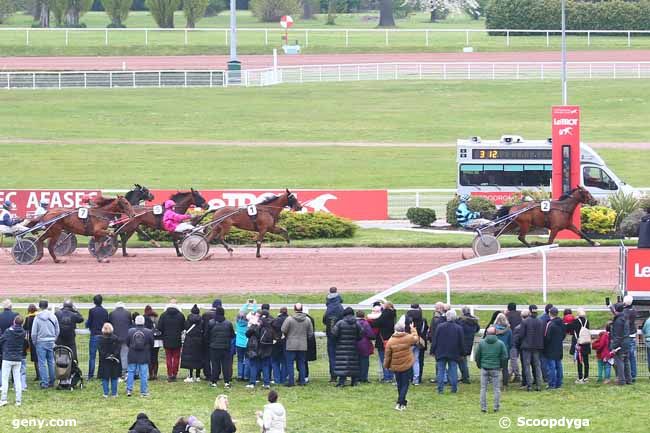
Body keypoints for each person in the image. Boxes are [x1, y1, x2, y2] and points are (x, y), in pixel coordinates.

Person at [384, 320, 419, 411]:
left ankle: (402, 402)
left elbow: (387, 356)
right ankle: (400, 402)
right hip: (406, 364)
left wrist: (386, 366)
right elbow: (416, 338)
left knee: (399, 384)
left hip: (395, 366)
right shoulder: (407, 338)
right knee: (405, 384)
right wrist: (413, 329)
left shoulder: (391, 341)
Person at [475, 326, 508, 413]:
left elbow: (477, 356)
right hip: (495, 368)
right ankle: (496, 407)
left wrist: (479, 365)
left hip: (484, 368)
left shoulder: (481, 343)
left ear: (486, 333)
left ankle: (483, 407)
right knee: (496, 389)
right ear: (496, 333)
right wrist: (501, 366)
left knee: (483, 389)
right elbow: (505, 357)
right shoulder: (500, 343)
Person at [281, 303, 313, 387]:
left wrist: (288, 335)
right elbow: (310, 333)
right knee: (301, 363)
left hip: (291, 344)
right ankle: (302, 381)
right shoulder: (307, 320)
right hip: (302, 344)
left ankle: (291, 381)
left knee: (290, 363)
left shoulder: (289, 319)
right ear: (302, 309)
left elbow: (283, 329)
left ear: (294, 309)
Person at [432, 309, 464, 394]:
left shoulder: (440, 326)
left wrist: (433, 350)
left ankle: (440, 389)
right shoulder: (459, 328)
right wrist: (462, 353)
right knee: (453, 370)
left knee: (440, 371)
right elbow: (461, 342)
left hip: (441, 351)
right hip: (453, 352)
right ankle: (454, 388)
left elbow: (435, 339)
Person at [31, 300, 59, 389]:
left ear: (39, 307)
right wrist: (54, 339)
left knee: (42, 363)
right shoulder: (53, 316)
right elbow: (57, 329)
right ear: (47, 306)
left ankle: (44, 382)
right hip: (51, 341)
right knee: (51, 362)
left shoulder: (37, 317)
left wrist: (35, 342)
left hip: (40, 342)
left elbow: (34, 333)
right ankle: (52, 381)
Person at [331, 307, 362, 387]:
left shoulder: (340, 323)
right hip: (353, 346)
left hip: (341, 347)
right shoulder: (356, 323)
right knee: (353, 364)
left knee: (342, 364)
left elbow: (334, 334)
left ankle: (341, 382)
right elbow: (361, 334)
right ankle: (354, 382)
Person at [206, 306, 235, 389]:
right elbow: (232, 335)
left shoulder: (211, 323)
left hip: (214, 347)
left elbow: (207, 335)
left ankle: (214, 381)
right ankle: (227, 382)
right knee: (226, 365)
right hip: (225, 348)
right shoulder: (228, 323)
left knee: (215, 365)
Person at [126, 315, 154, 397]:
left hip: (132, 354)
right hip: (144, 355)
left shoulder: (130, 331)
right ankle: (144, 391)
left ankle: (129, 390)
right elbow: (152, 343)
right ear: (143, 322)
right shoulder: (148, 331)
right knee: (144, 374)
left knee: (131, 372)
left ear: (135, 322)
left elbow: (127, 342)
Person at [0, 316, 25, 407]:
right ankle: (18, 400)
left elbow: (1, 340)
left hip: (7, 357)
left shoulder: (8, 331)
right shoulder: (23, 332)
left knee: (5, 379)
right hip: (18, 358)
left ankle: (3, 399)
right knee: (17, 380)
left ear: (14, 322)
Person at [158, 300, 185, 382]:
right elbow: (184, 327)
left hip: (166, 339)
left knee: (168, 357)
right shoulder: (180, 315)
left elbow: (159, 327)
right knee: (176, 357)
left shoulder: (163, 315)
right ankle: (174, 373)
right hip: (177, 339)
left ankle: (169, 374)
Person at [520, 305, 545, 391]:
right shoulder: (540, 321)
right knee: (537, 366)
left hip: (526, 347)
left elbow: (521, 335)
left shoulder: (525, 322)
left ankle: (529, 385)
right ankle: (538, 384)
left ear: (530, 311)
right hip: (537, 347)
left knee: (527, 366)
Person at [323, 286, 344, 383]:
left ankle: (333, 376)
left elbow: (324, 320)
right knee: (341, 355)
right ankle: (342, 375)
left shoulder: (328, 308)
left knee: (332, 356)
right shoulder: (340, 307)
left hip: (330, 335)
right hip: (340, 335)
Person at [372, 301, 396, 383]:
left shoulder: (385, 314)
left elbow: (376, 323)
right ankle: (391, 376)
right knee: (391, 359)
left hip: (382, 340)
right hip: (391, 339)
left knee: (384, 359)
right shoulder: (393, 314)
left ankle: (387, 377)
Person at [86, 294, 108, 380]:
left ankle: (90, 376)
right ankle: (102, 375)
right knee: (103, 357)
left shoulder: (92, 311)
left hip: (94, 335)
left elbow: (89, 323)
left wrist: (87, 325)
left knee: (92, 357)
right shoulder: (105, 311)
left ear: (94, 302)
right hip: (103, 336)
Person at [543, 307, 566, 389]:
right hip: (559, 346)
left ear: (550, 313)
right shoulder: (562, 323)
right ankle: (559, 383)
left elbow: (546, 337)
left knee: (551, 367)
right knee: (559, 365)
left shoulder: (550, 324)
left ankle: (551, 384)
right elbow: (564, 334)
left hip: (550, 348)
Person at [405, 304, 427, 385]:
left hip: (409, 341)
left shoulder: (407, 319)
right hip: (417, 341)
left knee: (407, 360)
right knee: (416, 361)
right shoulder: (422, 319)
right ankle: (416, 379)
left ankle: (407, 378)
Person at [108, 301, 132, 379]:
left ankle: (116, 371)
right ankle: (124, 372)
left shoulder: (111, 314)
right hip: (125, 337)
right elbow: (130, 324)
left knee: (116, 355)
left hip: (115, 337)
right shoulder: (128, 313)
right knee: (125, 355)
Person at [567, 308, 591, 384]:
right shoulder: (587, 321)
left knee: (580, 361)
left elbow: (570, 329)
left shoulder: (575, 321)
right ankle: (586, 377)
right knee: (586, 361)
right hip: (586, 342)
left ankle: (580, 377)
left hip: (579, 343)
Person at [181, 304, 204, 383]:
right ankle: (197, 376)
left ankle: (190, 376)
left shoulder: (187, 321)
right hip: (199, 341)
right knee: (198, 358)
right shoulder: (201, 322)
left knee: (190, 358)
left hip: (189, 341)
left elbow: (184, 329)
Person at [98, 322, 121, 398]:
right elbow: (118, 349)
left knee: (105, 377)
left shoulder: (100, 339)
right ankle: (114, 393)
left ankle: (105, 393)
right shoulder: (116, 338)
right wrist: (113, 355)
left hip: (104, 361)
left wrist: (107, 355)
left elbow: (101, 350)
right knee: (114, 377)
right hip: (114, 360)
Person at [457, 306, 480, 384]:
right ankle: (464, 376)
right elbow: (477, 329)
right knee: (463, 360)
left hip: (461, 343)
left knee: (461, 361)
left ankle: (465, 377)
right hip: (469, 342)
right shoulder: (474, 321)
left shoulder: (461, 321)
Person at [611, 303, 632, 385]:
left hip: (620, 343)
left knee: (619, 362)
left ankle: (622, 380)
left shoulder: (618, 321)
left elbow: (617, 335)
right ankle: (628, 379)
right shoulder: (625, 318)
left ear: (616, 310)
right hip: (627, 341)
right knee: (626, 361)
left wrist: (614, 346)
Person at [201, 299, 222, 381]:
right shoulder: (219, 315)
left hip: (205, 339)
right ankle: (216, 374)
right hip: (216, 339)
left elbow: (202, 326)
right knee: (216, 359)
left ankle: (207, 374)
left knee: (206, 358)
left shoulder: (205, 314)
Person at [355, 310, 375, 383]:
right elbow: (371, 335)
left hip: (355, 344)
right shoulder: (366, 323)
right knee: (364, 362)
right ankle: (364, 378)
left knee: (356, 362)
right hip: (365, 345)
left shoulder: (354, 323)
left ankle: (356, 377)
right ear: (363, 316)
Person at [494, 313, 512, 388]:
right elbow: (510, 342)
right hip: (505, 351)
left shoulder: (493, 329)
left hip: (495, 351)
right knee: (505, 368)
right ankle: (505, 384)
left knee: (496, 368)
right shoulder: (509, 330)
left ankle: (496, 383)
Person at [271, 307, 288, 385]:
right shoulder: (289, 320)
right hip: (285, 343)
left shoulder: (275, 320)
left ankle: (277, 379)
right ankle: (283, 379)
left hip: (276, 343)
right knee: (284, 362)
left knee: (275, 362)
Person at [623, 295, 638, 382]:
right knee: (632, 357)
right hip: (632, 334)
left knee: (626, 357)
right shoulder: (634, 310)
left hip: (627, 335)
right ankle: (633, 375)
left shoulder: (625, 312)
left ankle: (628, 375)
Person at [143, 305, 161, 380]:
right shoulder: (157, 318)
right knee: (155, 357)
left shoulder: (144, 318)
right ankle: (155, 374)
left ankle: (151, 374)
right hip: (157, 340)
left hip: (149, 340)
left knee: (149, 358)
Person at [505, 303, 522, 383]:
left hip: (513, 340)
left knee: (513, 359)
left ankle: (517, 375)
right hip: (521, 339)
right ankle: (511, 374)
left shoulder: (507, 316)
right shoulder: (520, 314)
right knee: (514, 359)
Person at [23, 304, 39, 383]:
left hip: (32, 340)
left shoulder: (28, 318)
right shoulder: (38, 317)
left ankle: (38, 375)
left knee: (36, 359)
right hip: (40, 339)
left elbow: (24, 328)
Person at [235, 308, 251, 382]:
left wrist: (246, 304)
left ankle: (240, 374)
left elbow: (240, 312)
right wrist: (253, 304)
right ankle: (246, 376)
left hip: (239, 343)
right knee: (247, 359)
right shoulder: (248, 324)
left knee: (240, 360)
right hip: (246, 343)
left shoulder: (237, 323)